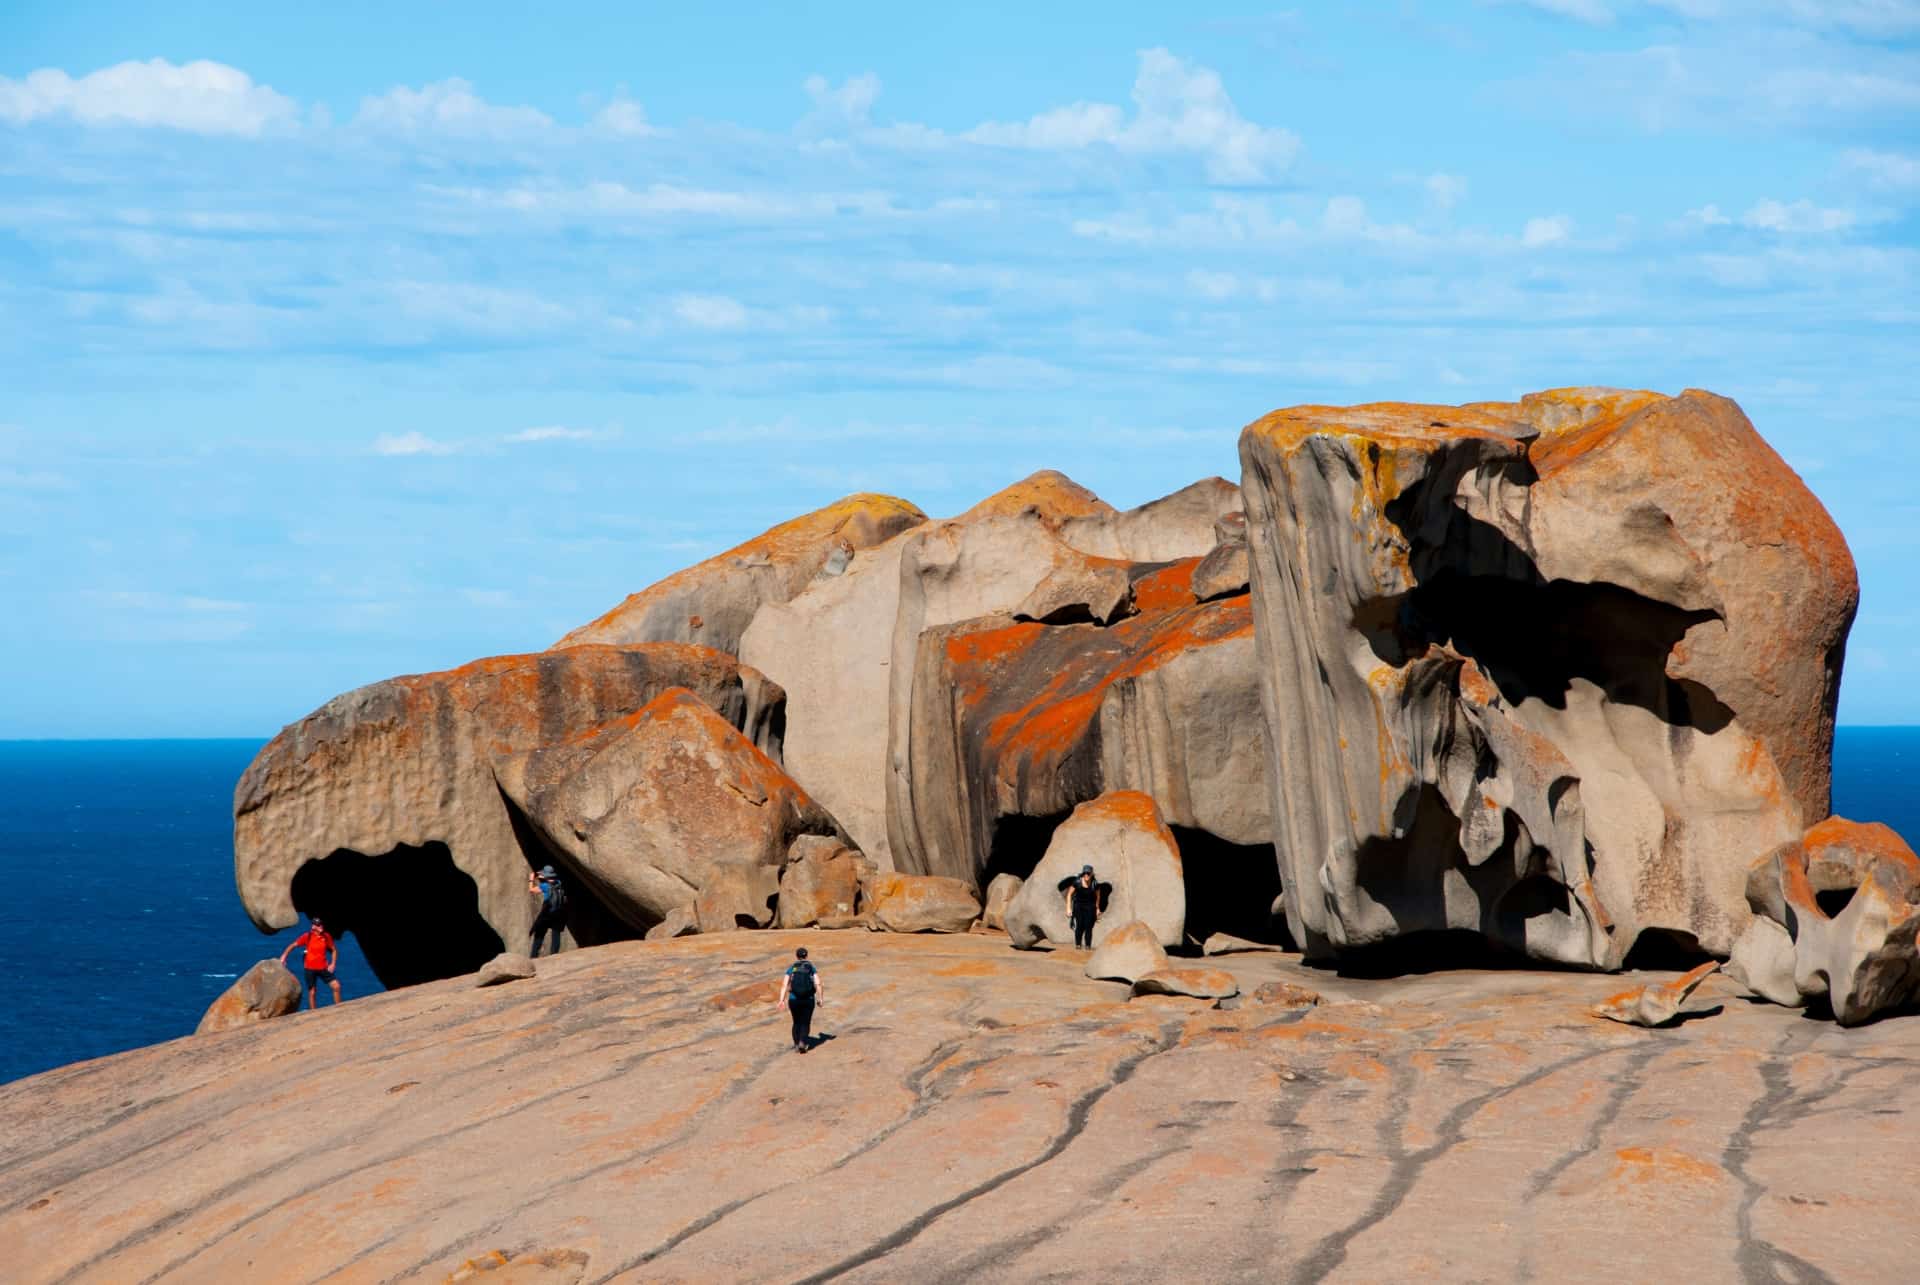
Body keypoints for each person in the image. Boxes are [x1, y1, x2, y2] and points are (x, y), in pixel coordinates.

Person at [278, 915, 343, 1009]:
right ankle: (313, 1013)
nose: (320, 927)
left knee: (336, 986)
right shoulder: (307, 936)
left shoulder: (326, 936)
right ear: (313, 926)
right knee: (312, 992)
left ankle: (339, 1009)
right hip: (310, 969)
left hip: (323, 968)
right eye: (317, 925)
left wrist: (333, 964)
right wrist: (284, 956)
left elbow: (334, 950)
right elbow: (293, 945)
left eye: (320, 925)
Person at [776, 946, 823, 1053]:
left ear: (796, 956)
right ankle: (803, 1041)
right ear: (806, 955)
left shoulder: (792, 967)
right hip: (808, 999)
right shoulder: (811, 967)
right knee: (805, 1022)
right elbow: (818, 983)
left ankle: (797, 1044)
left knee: (796, 1022)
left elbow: (784, 984)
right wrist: (820, 998)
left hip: (794, 999)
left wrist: (781, 1000)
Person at [528, 865, 567, 958]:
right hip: (558, 912)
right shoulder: (559, 882)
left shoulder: (544, 886)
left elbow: (532, 890)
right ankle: (554, 955)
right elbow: (549, 879)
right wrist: (542, 876)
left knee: (539, 934)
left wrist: (531, 879)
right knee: (556, 934)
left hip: (547, 913)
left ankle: (533, 956)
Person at [1062, 865, 1101, 949]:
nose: (1086, 875)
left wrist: (1097, 909)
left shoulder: (1095, 884)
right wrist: (1068, 908)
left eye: (1088, 873)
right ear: (1083, 873)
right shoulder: (1077, 882)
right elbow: (1069, 894)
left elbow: (1098, 897)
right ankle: (1078, 945)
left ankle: (1087, 946)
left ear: (1092, 874)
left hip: (1090, 907)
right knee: (1079, 925)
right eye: (1085, 873)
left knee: (1088, 927)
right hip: (1078, 906)